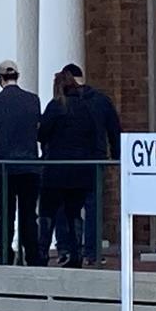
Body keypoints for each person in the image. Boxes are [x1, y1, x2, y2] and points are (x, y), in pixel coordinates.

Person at [58, 64, 120, 266]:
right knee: (93, 207)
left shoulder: (63, 101)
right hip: (94, 160)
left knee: (65, 206)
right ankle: (91, 253)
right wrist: (116, 157)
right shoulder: (101, 100)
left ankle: (66, 249)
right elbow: (114, 130)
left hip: (66, 162)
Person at [37, 70, 98, 268]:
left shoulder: (55, 106)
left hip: (55, 170)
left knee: (47, 213)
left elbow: (42, 133)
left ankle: (42, 252)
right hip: (80, 171)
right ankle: (76, 255)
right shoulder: (85, 108)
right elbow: (92, 135)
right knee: (74, 214)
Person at [0, 60, 41, 265]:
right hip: (30, 166)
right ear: (17, 76)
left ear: (0, 78)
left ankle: (6, 253)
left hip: (2, 168)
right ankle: (31, 254)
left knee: (6, 215)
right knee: (29, 214)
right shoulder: (33, 100)